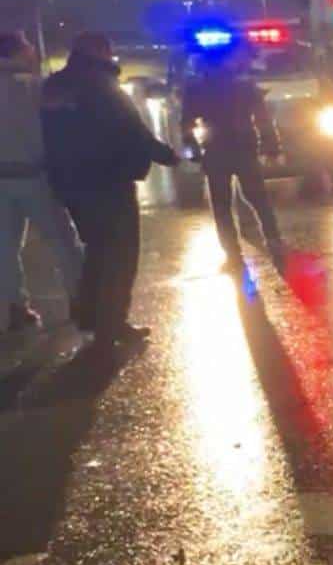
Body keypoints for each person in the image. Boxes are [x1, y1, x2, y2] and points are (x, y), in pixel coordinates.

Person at [40, 33, 179, 346]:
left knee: (97, 251)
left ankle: (89, 315)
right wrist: (168, 156)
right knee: (119, 254)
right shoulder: (101, 85)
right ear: (101, 52)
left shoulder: (54, 87)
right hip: (108, 181)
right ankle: (113, 323)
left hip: (71, 184)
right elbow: (131, 131)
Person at [0, 32, 83, 332]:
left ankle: (14, 308)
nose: (33, 51)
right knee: (62, 241)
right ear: (17, 52)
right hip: (35, 176)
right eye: (27, 46)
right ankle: (79, 299)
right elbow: (65, 117)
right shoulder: (35, 87)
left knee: (5, 248)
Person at [180, 46, 285, 272]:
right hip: (243, 147)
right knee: (258, 197)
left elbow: (187, 122)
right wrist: (271, 146)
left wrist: (193, 149)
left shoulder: (197, 88)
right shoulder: (243, 86)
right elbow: (262, 118)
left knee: (221, 205)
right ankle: (274, 241)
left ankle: (233, 255)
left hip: (216, 149)